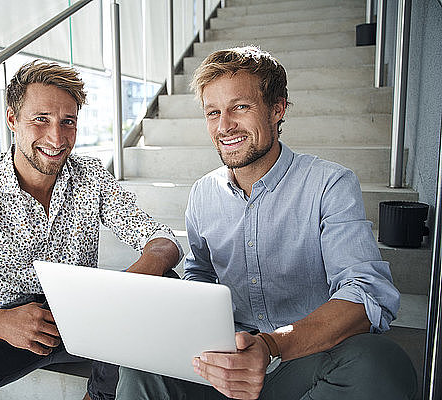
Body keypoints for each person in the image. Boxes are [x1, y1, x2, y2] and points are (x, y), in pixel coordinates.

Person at [116, 46, 417, 399]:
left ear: (277, 109)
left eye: (239, 107)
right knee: (140, 363)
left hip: (304, 359)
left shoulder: (329, 184)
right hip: (226, 361)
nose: (224, 126)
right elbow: (201, 277)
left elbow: (366, 293)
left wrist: (271, 345)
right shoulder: (202, 194)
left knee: (382, 363)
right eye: (213, 112)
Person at [0, 60, 182, 400]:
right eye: (41, 120)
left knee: (164, 282)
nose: (57, 138)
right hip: (7, 329)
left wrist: (135, 277)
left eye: (68, 122)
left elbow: (162, 240)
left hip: (85, 320)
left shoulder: (90, 177)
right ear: (13, 120)